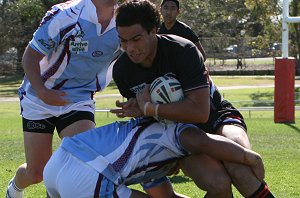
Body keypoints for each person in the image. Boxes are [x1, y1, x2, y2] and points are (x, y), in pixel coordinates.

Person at [110, 0, 275, 197]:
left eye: (136, 39)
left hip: (216, 116)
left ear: (154, 30)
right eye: (123, 41)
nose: (130, 48)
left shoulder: (183, 50)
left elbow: (200, 112)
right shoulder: (122, 71)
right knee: (218, 182)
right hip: (177, 134)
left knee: (240, 167)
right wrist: (141, 111)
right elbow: (148, 118)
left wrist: (150, 108)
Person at [6, 0, 120, 197]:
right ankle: (14, 188)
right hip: (38, 98)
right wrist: (43, 91)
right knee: (37, 173)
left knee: (80, 163)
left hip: (78, 99)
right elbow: (30, 57)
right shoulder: (66, 15)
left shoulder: (125, 20)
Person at [43, 117, 265, 198]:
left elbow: (165, 197)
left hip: (56, 165)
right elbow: (204, 141)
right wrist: (249, 157)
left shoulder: (151, 164)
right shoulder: (170, 132)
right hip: (90, 174)